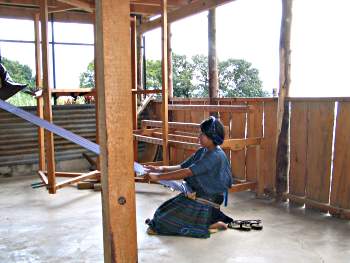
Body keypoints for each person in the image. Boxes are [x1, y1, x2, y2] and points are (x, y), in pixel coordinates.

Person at [144, 116, 234, 238]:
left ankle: (210, 224)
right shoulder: (203, 151)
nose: (199, 137)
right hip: (197, 194)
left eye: (202, 134)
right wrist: (159, 169)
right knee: (161, 212)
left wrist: (158, 177)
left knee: (163, 222)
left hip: (209, 199)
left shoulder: (215, 156)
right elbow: (182, 166)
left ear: (211, 137)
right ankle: (211, 221)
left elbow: (187, 172)